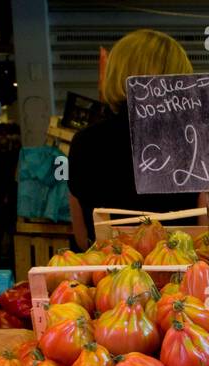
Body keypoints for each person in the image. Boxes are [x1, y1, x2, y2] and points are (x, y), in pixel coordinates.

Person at [67, 29, 200, 250]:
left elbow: (82, 238)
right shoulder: (194, 138)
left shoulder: (84, 142)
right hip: (184, 276)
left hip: (108, 276)